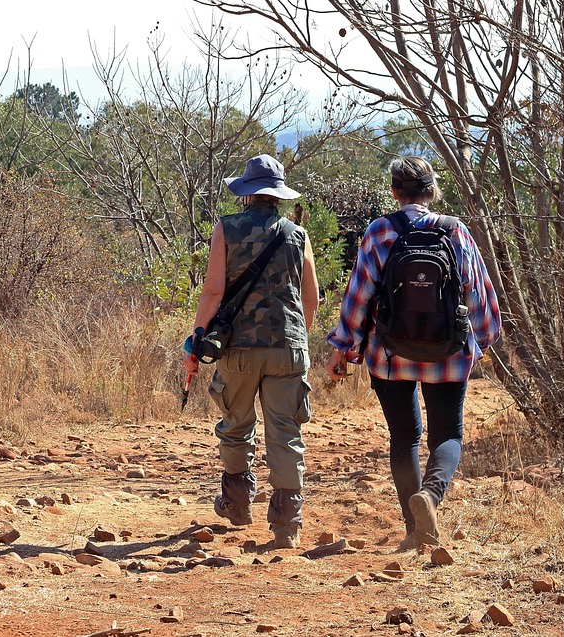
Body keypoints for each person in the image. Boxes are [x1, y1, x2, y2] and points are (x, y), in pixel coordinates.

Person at [327, 156, 502, 549]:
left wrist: (344, 349)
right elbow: (478, 292)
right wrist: (484, 339)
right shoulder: (455, 232)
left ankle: (414, 527)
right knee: (448, 434)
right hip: (449, 354)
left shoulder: (379, 232)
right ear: (432, 191)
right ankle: (432, 496)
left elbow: (358, 299)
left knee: (404, 437)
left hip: (389, 356)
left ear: (394, 191)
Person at [185, 154, 320, 549]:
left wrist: (196, 339)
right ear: (277, 196)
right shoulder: (298, 235)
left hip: (238, 349)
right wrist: (296, 338)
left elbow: (213, 291)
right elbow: (310, 297)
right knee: (286, 433)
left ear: (246, 193)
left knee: (236, 424)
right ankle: (286, 525)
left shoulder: (226, 230)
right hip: (288, 349)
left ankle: (238, 503)